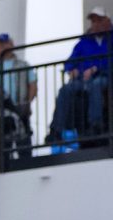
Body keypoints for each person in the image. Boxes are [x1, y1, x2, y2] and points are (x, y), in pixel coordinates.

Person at [48, 7, 112, 141]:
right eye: (93, 21)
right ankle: (56, 129)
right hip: (83, 80)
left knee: (96, 84)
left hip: (105, 77)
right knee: (65, 90)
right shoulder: (83, 42)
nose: (96, 24)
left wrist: (96, 69)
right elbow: (69, 62)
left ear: (107, 21)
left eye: (99, 20)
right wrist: (72, 70)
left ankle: (95, 125)